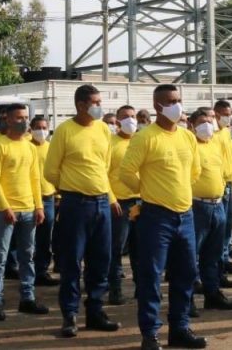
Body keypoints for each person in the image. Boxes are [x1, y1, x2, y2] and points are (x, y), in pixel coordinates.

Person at [119, 85, 206, 350]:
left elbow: (194, 171)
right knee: (151, 276)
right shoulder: (145, 137)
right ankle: (150, 333)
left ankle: (179, 329)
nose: (177, 106)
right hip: (156, 217)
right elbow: (126, 172)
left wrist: (177, 189)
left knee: (186, 273)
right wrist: (147, 189)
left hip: (186, 215)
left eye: (179, 100)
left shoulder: (187, 137)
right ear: (158, 106)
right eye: (171, 101)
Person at [42, 83, 121, 338]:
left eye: (100, 102)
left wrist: (108, 196)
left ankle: (95, 311)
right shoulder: (65, 131)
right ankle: (70, 315)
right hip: (75, 204)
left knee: (101, 261)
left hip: (101, 203)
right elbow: (50, 171)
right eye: (95, 103)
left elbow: (104, 166)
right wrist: (71, 189)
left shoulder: (102, 130)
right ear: (80, 105)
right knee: (71, 262)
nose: (100, 107)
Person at [0, 103, 48, 321]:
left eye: (26, 117)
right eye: (19, 117)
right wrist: (4, 206)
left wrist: (39, 206)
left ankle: (27, 298)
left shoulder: (30, 147)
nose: (24, 121)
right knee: (0, 257)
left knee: (27, 256)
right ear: (8, 119)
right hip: (5, 211)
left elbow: (35, 179)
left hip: (29, 210)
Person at [188, 107, 232, 316]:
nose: (207, 124)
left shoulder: (216, 144)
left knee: (213, 254)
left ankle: (212, 294)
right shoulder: (189, 145)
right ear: (192, 125)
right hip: (196, 206)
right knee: (190, 256)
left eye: (210, 119)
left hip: (218, 204)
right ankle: (187, 298)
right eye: (202, 121)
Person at [107, 104, 140, 306]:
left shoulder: (141, 141)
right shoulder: (109, 144)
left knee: (141, 249)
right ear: (117, 121)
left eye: (133, 116)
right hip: (119, 204)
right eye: (126, 117)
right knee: (116, 249)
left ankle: (141, 287)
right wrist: (111, 199)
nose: (131, 120)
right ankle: (115, 290)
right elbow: (102, 174)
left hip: (142, 202)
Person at [212, 100, 232, 278]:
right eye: (224, 114)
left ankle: (224, 259)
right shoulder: (212, 134)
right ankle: (218, 265)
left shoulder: (227, 133)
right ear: (215, 114)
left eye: (229, 114)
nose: (227, 117)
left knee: (227, 226)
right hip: (219, 185)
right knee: (218, 227)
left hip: (229, 185)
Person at [29, 115, 59, 288]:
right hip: (29, 199)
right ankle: (27, 271)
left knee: (45, 238)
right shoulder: (26, 147)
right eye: (37, 127)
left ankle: (41, 271)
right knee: (28, 240)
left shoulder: (51, 148)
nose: (41, 131)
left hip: (48, 198)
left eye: (44, 127)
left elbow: (57, 171)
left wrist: (58, 196)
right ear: (31, 129)